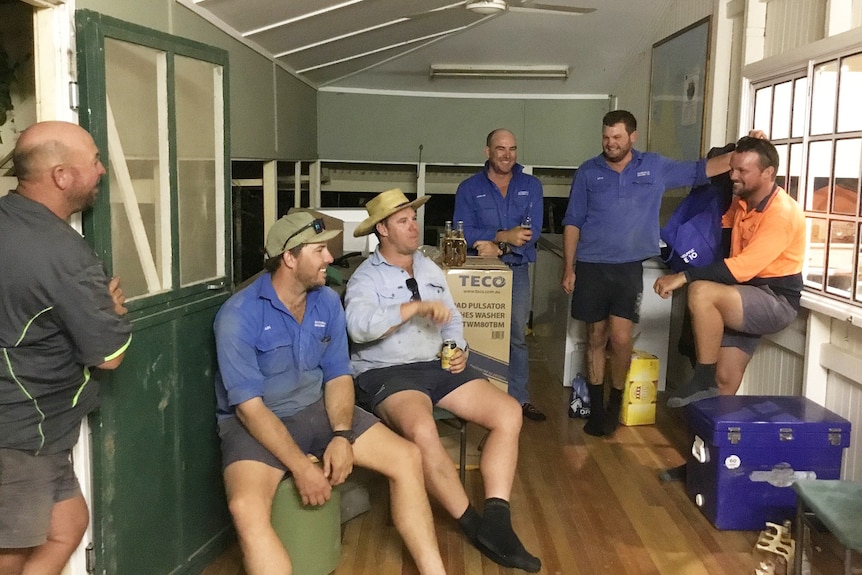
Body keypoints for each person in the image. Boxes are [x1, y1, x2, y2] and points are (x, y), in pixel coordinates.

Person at [213, 211, 446, 575]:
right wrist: (300, 468)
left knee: (407, 458)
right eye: (319, 251)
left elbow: (338, 375)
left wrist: (341, 434)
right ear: (289, 258)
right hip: (258, 424)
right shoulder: (238, 315)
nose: (329, 259)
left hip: (318, 410)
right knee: (246, 507)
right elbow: (249, 410)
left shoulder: (326, 301)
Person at [345, 189, 541, 573]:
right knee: (421, 430)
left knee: (507, 412)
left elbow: (451, 315)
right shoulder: (364, 278)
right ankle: (472, 524)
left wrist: (458, 346)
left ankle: (497, 521)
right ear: (382, 230)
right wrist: (411, 308)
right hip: (386, 371)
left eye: (413, 218)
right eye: (402, 221)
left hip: (437, 365)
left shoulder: (429, 267)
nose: (413, 225)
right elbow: (358, 326)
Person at [0, 121, 132, 575]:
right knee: (9, 554)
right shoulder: (63, 254)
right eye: (93, 160)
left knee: (68, 524)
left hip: (35, 430)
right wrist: (110, 311)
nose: (102, 170)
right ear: (61, 176)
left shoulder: (7, 218)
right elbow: (108, 356)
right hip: (21, 433)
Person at [560, 110, 737, 438]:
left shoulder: (654, 166)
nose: (610, 143)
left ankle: (615, 404)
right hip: (590, 264)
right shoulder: (588, 171)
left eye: (617, 137)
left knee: (621, 337)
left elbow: (702, 169)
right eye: (606, 137)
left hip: (628, 267)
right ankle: (596, 409)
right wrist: (568, 267)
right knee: (595, 337)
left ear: (632, 137)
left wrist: (745, 150)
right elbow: (572, 220)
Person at [653, 135, 805, 407]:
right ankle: (713, 447)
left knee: (701, 292)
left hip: (773, 299)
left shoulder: (781, 213)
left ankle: (701, 378)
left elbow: (741, 269)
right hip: (745, 293)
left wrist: (683, 276)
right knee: (724, 382)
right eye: (732, 168)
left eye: (742, 171)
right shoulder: (744, 200)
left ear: (768, 173)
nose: (733, 175)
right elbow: (721, 228)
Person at [453, 128, 546, 421]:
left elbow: (531, 233)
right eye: (501, 149)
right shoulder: (469, 188)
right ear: (487, 152)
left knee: (515, 335)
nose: (507, 155)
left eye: (512, 149)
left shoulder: (531, 186)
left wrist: (500, 248)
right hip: (478, 273)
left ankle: (518, 399)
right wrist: (504, 235)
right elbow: (462, 231)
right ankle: (469, 399)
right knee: (475, 334)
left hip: (516, 270)